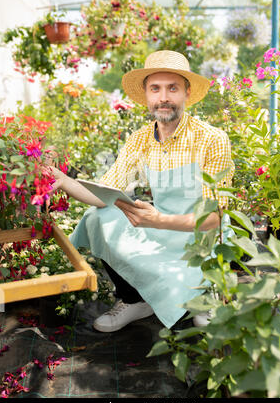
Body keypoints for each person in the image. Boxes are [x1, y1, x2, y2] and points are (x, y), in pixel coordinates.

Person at [49, 50, 234, 333]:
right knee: (98, 217)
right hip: (160, 227)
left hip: (203, 237)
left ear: (186, 93)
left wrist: (156, 220)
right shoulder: (141, 140)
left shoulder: (212, 139)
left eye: (172, 88)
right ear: (146, 95)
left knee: (202, 323)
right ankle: (135, 300)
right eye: (155, 88)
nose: (163, 97)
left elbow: (215, 218)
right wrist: (61, 180)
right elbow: (106, 193)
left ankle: (205, 292)